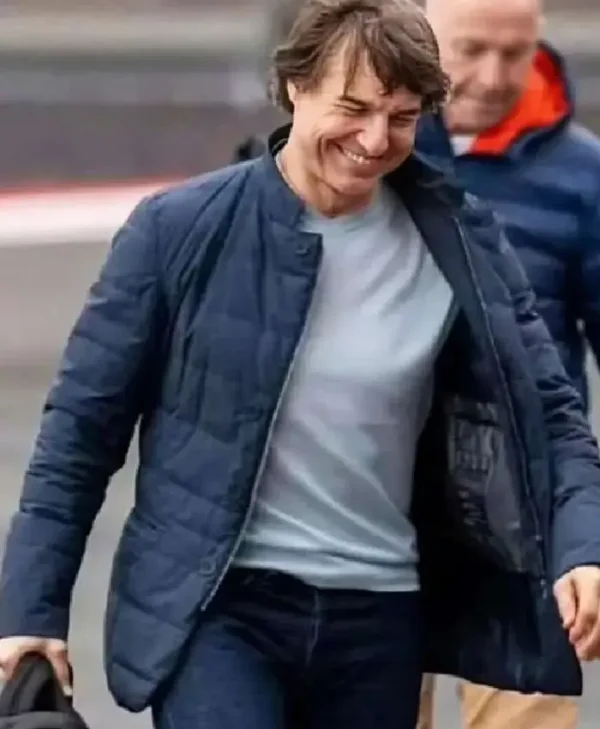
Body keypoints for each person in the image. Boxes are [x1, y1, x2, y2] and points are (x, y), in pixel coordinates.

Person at [1, 1, 600, 728]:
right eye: (353, 108)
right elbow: (79, 432)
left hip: (378, 615)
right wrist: (30, 610)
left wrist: (583, 548)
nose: (374, 139)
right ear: (295, 86)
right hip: (220, 607)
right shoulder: (178, 230)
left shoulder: (461, 242)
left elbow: (552, 414)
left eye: (402, 117)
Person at [414, 0, 600, 727]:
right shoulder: (369, 150)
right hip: (376, 511)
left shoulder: (584, 179)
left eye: (515, 52)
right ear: (420, 34)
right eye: (471, 49)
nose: (494, 76)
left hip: (526, 520)